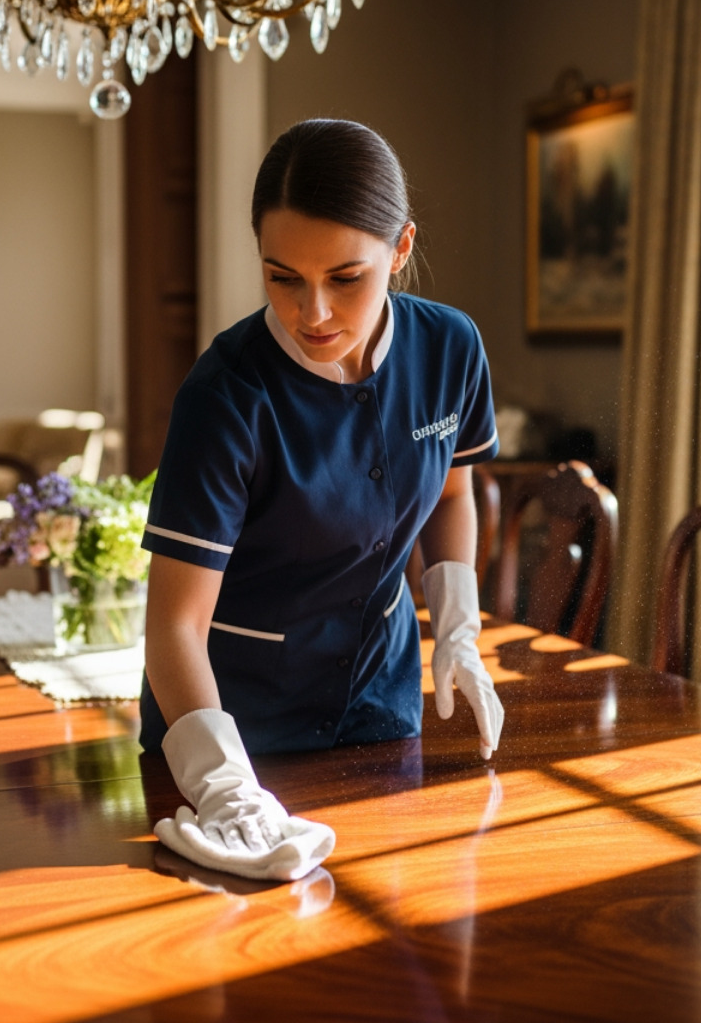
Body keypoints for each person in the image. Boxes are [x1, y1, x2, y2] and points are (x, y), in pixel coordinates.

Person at [141, 119, 503, 882]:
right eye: (282, 278)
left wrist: (459, 632)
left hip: (382, 703)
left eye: (345, 279)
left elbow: (450, 493)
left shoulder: (451, 349)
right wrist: (225, 786)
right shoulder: (225, 395)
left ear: (400, 249)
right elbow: (174, 624)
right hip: (235, 730)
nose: (313, 314)